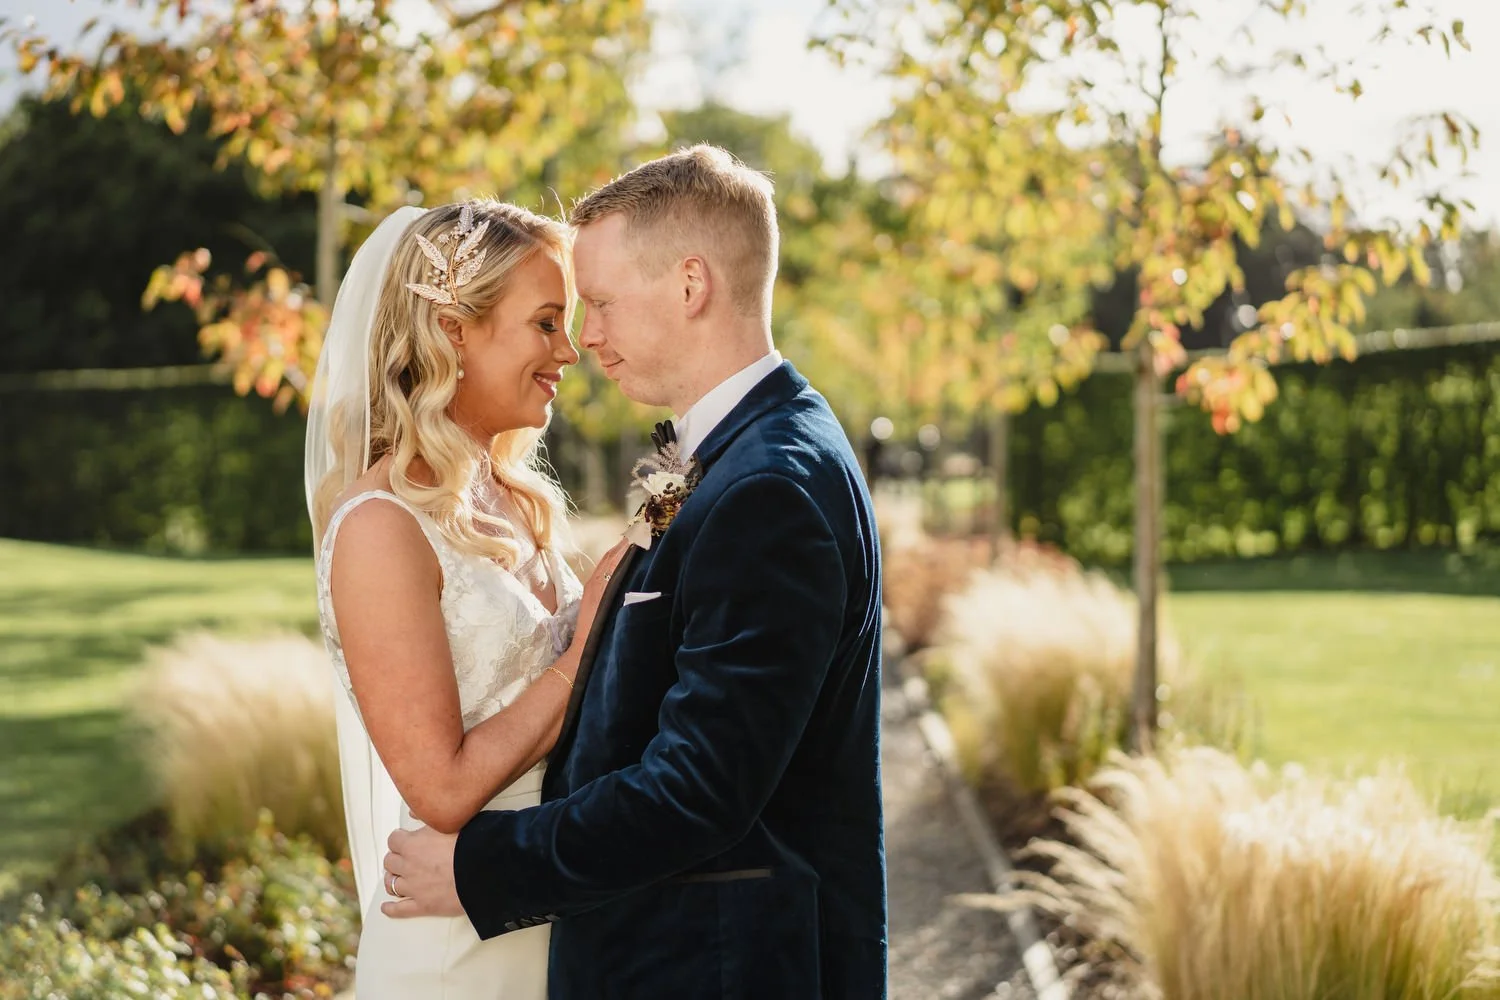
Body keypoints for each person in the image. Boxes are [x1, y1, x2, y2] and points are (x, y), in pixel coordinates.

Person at [383, 146, 889, 999]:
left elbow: (699, 789)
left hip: (719, 968)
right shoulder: (740, 454)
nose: (587, 338)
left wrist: (481, 869)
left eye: (604, 303)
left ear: (691, 285)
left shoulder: (767, 487)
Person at [305, 199, 626, 999]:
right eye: (546, 323)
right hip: (456, 950)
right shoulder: (380, 527)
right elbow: (440, 788)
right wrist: (587, 647)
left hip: (538, 908)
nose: (569, 351)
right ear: (454, 330)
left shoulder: (514, 498)